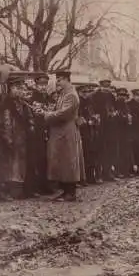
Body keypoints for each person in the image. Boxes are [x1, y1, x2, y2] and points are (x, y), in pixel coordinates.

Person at [36, 70, 84, 202]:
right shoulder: (64, 94)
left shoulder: (71, 95)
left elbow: (63, 114)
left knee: (68, 161)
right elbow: (58, 111)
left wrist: (45, 114)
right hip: (61, 132)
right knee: (62, 161)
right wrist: (47, 111)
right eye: (57, 80)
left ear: (68, 80)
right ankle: (65, 191)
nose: (57, 82)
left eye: (60, 80)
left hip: (66, 132)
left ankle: (70, 192)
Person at [0, 76, 34, 199]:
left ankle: (22, 189)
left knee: (21, 163)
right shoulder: (7, 104)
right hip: (12, 136)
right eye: (15, 88)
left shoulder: (24, 103)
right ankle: (13, 190)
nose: (19, 91)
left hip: (22, 137)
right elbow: (6, 122)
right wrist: (8, 138)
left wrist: (31, 125)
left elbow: (29, 117)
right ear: (10, 89)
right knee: (12, 164)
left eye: (20, 88)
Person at [29, 73, 54, 194]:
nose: (43, 87)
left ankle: (46, 185)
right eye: (40, 84)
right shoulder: (32, 97)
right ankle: (38, 186)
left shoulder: (48, 97)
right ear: (36, 84)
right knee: (38, 159)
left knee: (46, 159)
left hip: (47, 130)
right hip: (37, 131)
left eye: (45, 84)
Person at [91, 78, 117, 182]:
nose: (107, 89)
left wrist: (114, 113)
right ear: (100, 86)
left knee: (110, 150)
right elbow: (92, 109)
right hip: (99, 126)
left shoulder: (111, 96)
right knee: (99, 151)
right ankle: (98, 174)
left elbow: (114, 108)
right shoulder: (94, 96)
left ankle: (107, 173)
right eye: (104, 87)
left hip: (110, 127)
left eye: (108, 87)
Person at [77, 83, 97, 185]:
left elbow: (93, 114)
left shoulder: (90, 102)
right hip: (82, 132)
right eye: (83, 92)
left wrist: (94, 119)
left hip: (91, 131)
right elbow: (78, 117)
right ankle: (82, 178)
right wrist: (86, 122)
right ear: (79, 92)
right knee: (83, 155)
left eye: (87, 92)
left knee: (91, 154)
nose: (86, 94)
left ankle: (90, 177)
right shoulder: (78, 102)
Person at [114, 88, 134, 178]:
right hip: (118, 132)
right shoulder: (115, 106)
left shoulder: (126, 106)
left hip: (127, 132)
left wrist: (128, 119)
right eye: (120, 95)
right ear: (117, 96)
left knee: (126, 153)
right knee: (118, 153)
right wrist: (126, 118)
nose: (122, 97)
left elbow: (129, 118)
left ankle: (126, 171)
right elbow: (117, 118)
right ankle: (118, 171)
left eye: (124, 96)